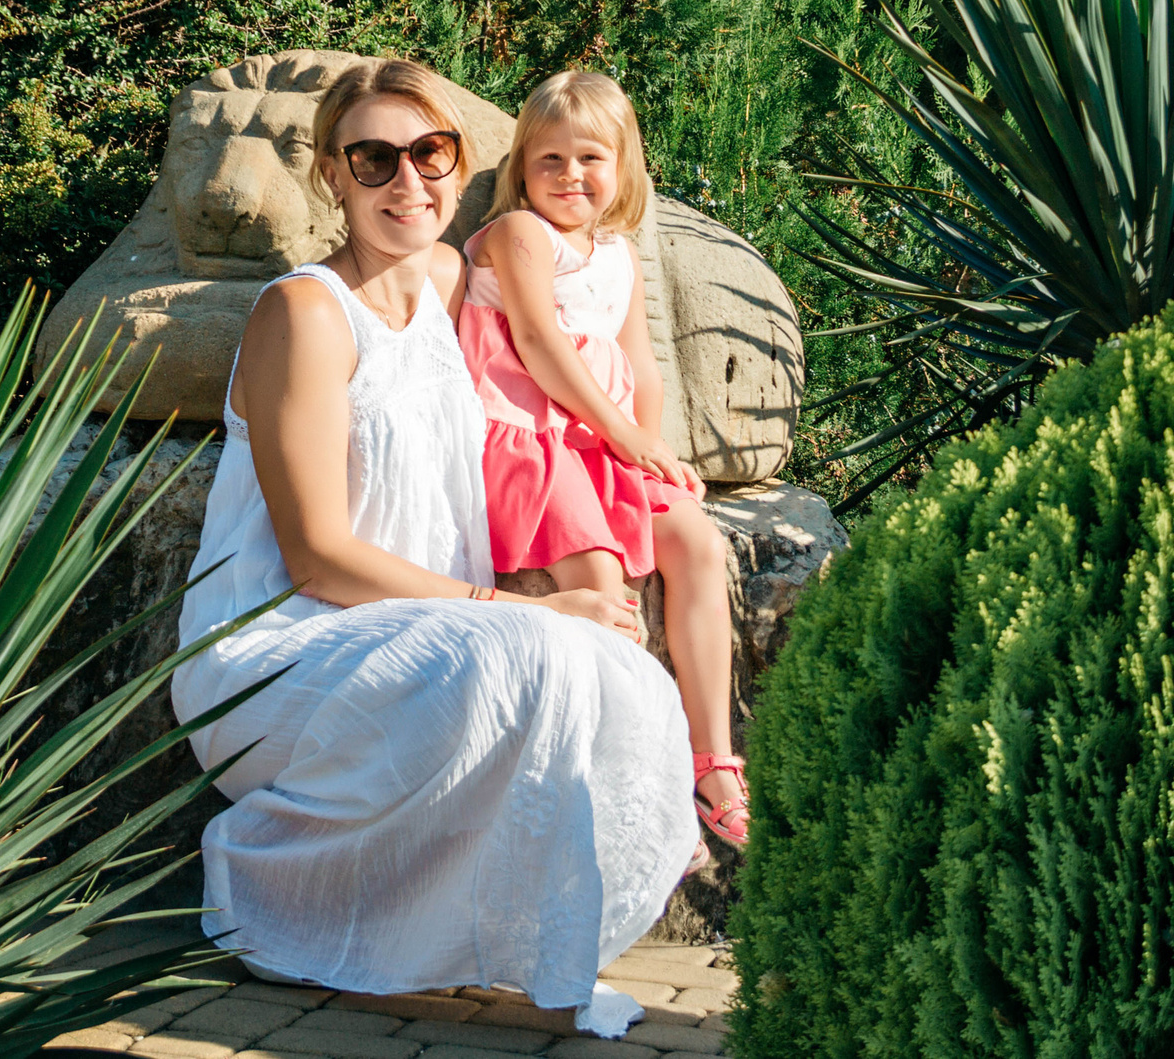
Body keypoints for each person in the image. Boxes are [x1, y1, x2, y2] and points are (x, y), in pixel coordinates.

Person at [172, 57, 699, 1011]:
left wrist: (642, 488)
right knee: (528, 656)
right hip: (278, 647)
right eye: (373, 159)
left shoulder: (458, 281)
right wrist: (519, 608)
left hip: (431, 637)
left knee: (619, 674)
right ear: (332, 173)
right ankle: (263, 884)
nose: (407, 181)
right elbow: (317, 557)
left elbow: (573, 342)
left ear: (462, 164)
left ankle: (497, 931)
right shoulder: (305, 313)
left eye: (430, 152)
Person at [459, 72, 749, 847]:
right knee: (598, 576)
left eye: (590, 156)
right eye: (548, 158)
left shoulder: (617, 254)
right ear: (521, 167)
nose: (569, 175)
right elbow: (539, 345)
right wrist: (629, 438)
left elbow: (640, 362)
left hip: (598, 445)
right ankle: (634, 782)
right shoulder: (521, 234)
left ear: (623, 165)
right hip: (525, 438)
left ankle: (711, 755)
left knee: (695, 539)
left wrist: (645, 458)